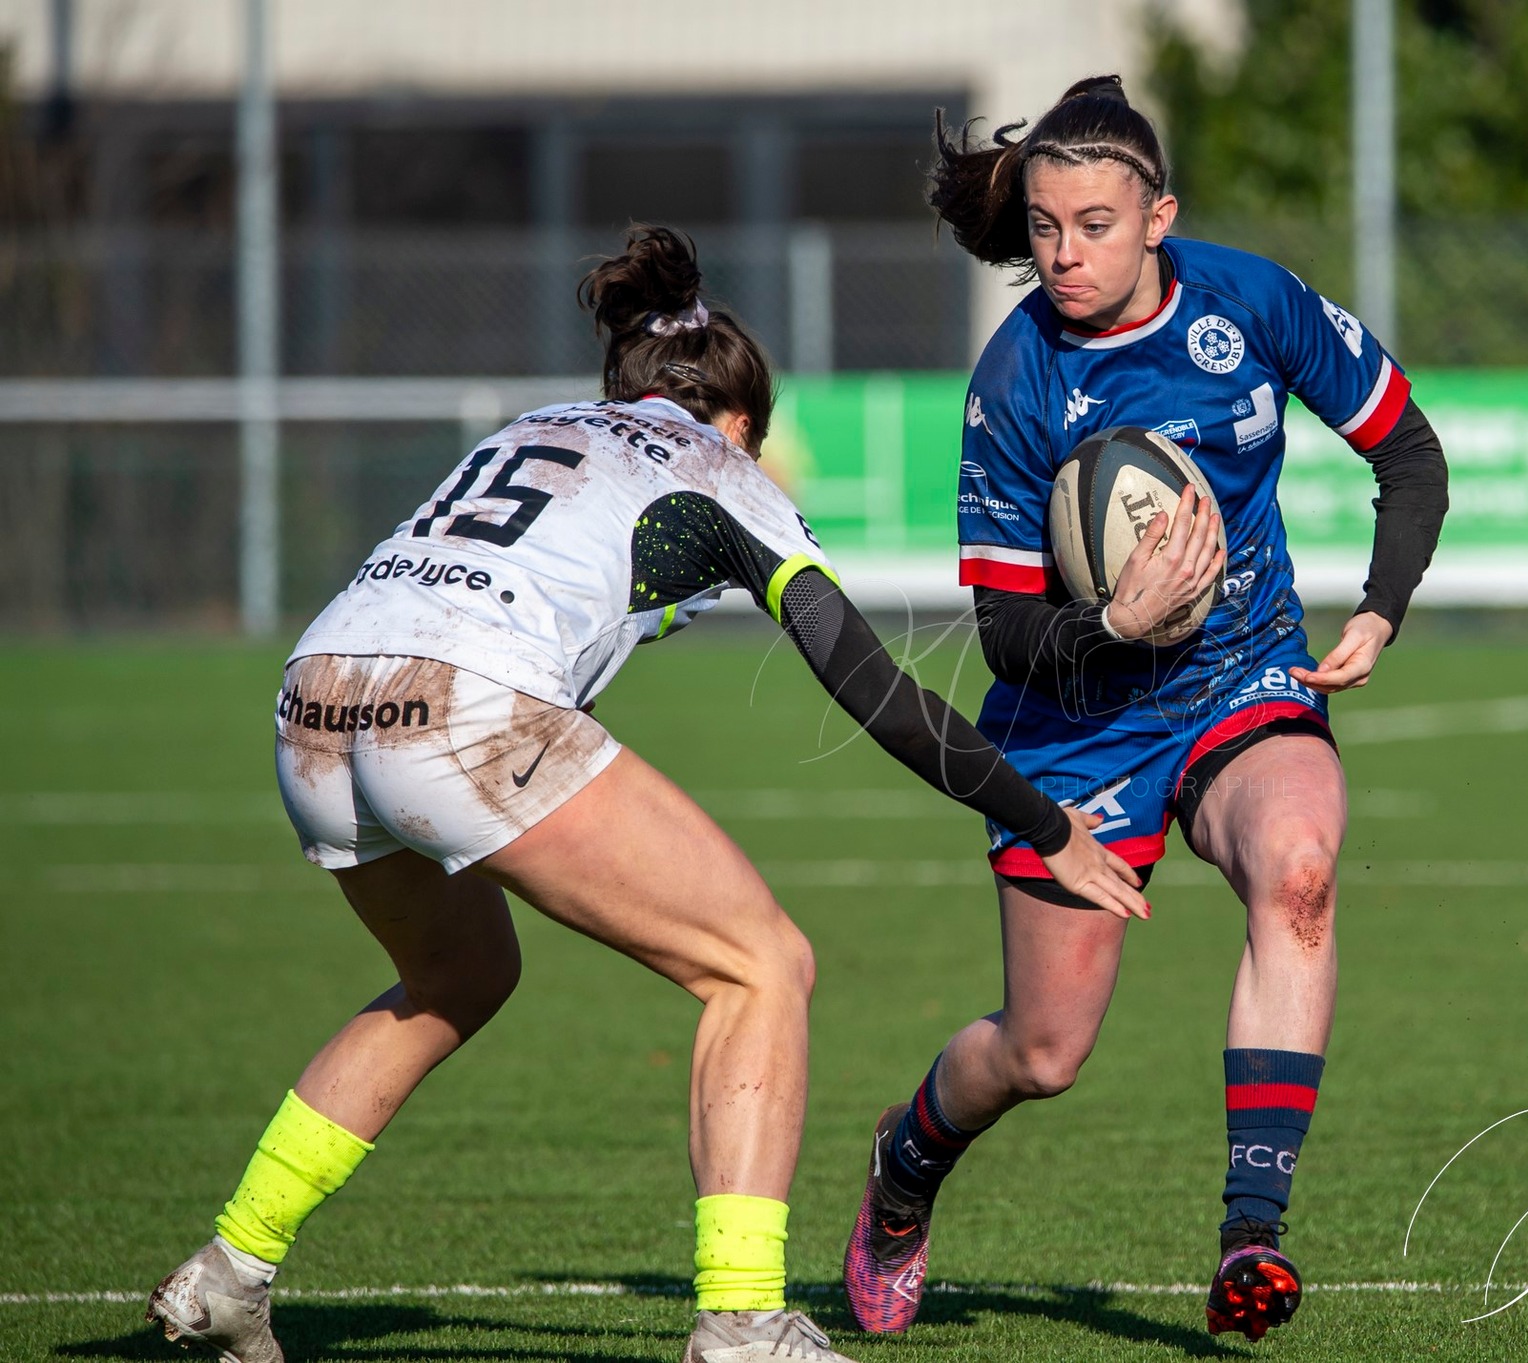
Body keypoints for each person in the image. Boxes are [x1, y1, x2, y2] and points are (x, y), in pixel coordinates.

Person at [143, 226, 1146, 1363]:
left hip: (315, 702)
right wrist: (1044, 821)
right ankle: (741, 1319)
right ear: (736, 423)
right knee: (761, 963)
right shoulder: (721, 467)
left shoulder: (533, 426)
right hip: (466, 705)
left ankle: (231, 1267)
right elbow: (871, 687)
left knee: (457, 973)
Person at [842, 77, 1450, 1342]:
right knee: (1041, 1052)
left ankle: (1250, 1234)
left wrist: (1380, 606)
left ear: (1158, 216)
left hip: (1241, 678)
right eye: (1048, 227)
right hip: (1074, 723)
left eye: (1097, 226)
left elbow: (1408, 451)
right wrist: (1114, 623)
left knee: (1298, 870)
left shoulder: (1253, 302)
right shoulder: (1013, 380)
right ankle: (904, 1167)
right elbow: (1006, 632)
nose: (1064, 254)